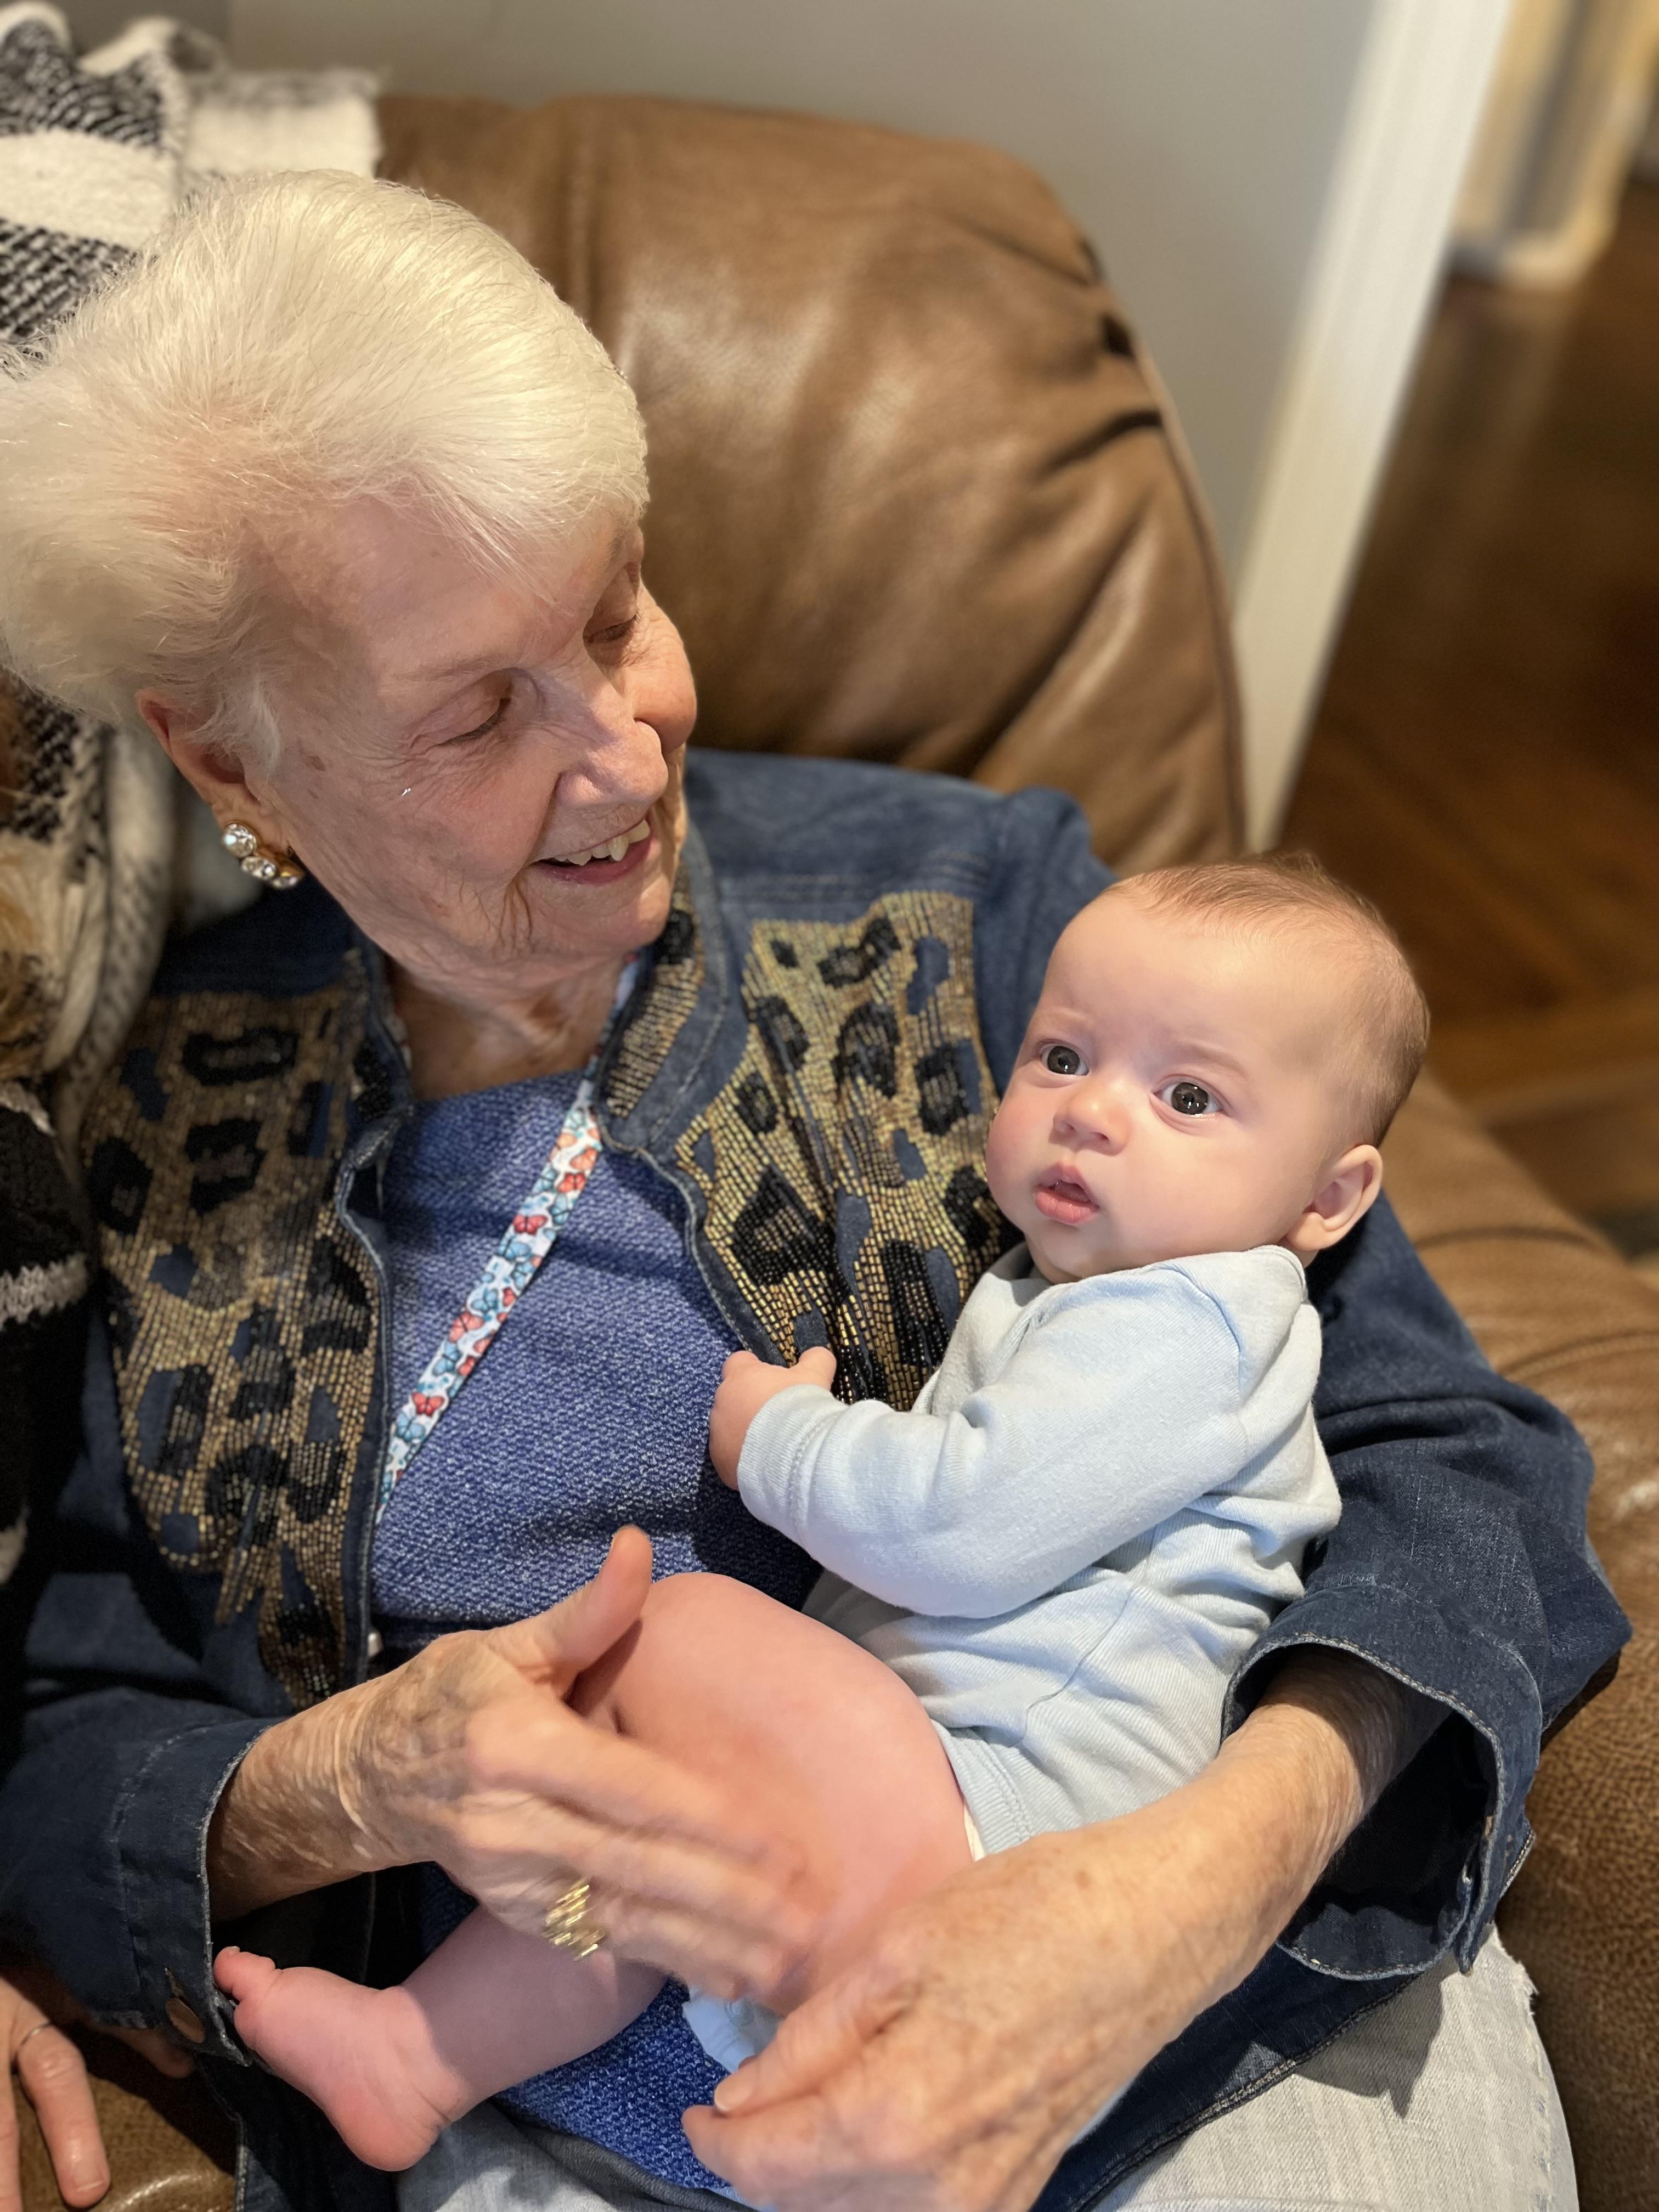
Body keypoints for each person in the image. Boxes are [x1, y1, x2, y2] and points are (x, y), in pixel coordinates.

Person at [0, 170, 1624, 2212]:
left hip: (1184, 2006)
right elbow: (64, 1717)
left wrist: (1168, 1898)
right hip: (591, 2087)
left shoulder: (979, 910)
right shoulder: (159, 1134)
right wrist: (346, 1783)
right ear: (230, 760)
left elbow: (1450, 1456)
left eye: (614, 613)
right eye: (481, 709)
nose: (622, 750)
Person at [208, 851, 1418, 2169]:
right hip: (921, 1816)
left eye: (1188, 1096)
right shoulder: (1091, 1289)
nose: (1094, 1116)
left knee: (683, 1634)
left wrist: (778, 1436)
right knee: (624, 1840)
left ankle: (440, 2047)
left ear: (1328, 1198)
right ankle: (418, 2054)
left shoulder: (1193, 1324)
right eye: (1064, 1058)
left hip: (1011, 1834)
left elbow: (959, 1526)